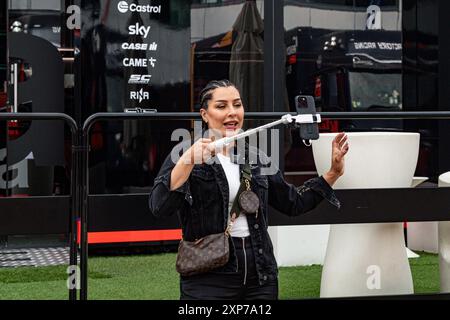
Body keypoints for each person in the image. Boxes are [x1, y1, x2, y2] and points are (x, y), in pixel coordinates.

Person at [149, 79, 349, 300]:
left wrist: (333, 173)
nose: (232, 112)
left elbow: (293, 203)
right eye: (221, 106)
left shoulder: (256, 157)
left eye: (237, 104)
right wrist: (187, 161)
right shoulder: (184, 152)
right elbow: (160, 206)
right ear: (204, 114)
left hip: (260, 277)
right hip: (207, 278)